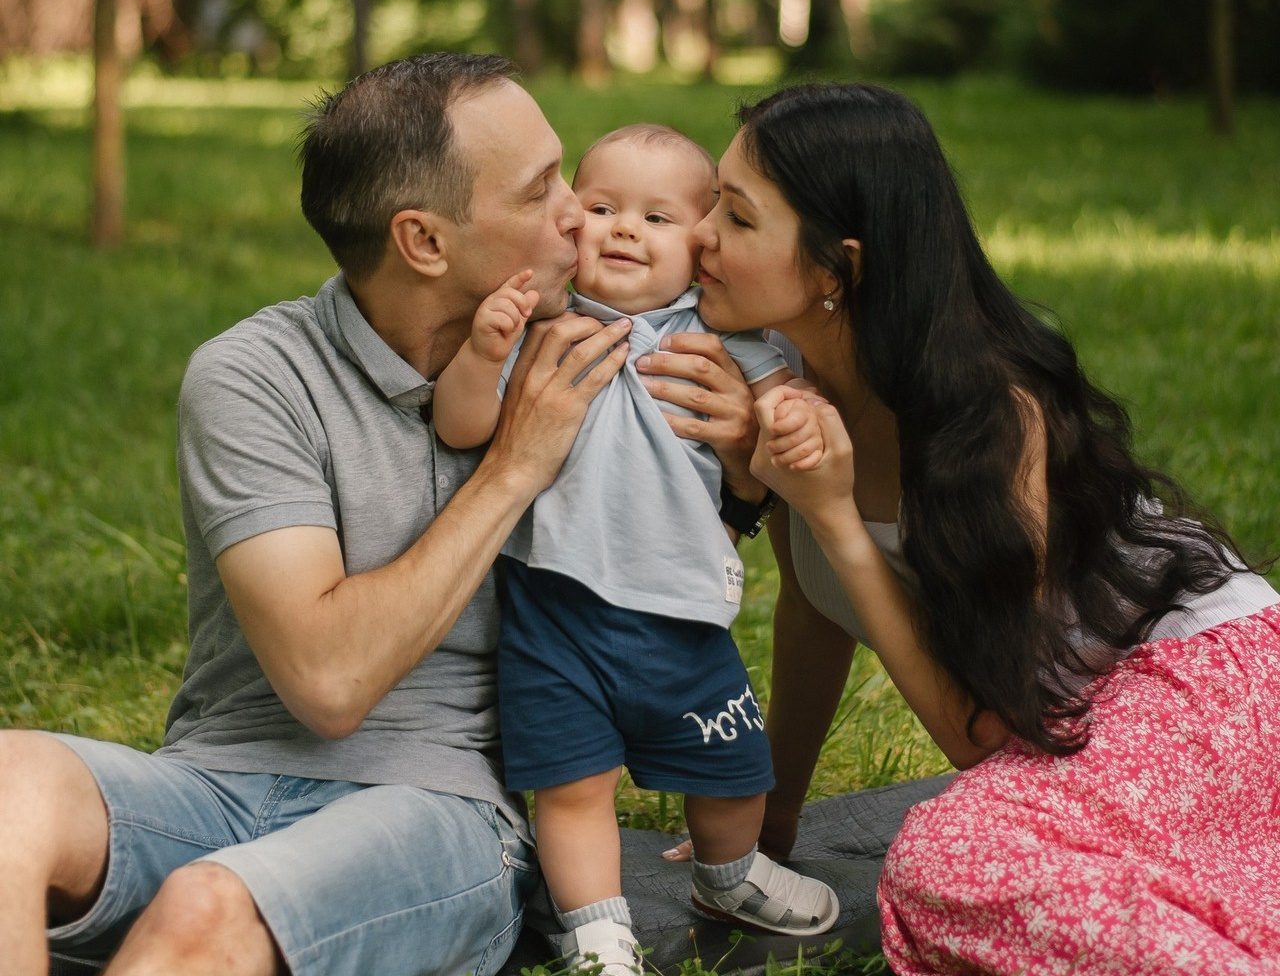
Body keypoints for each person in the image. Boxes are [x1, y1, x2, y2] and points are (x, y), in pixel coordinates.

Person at [0, 52, 651, 976]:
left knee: (207, 908)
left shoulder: (585, 351)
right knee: (11, 782)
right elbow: (329, 679)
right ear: (423, 242)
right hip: (215, 787)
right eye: (540, 189)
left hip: (437, 809)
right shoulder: (255, 376)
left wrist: (757, 465)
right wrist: (512, 468)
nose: (579, 212)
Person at [655, 81, 1280, 975]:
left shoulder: (992, 416)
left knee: (948, 856)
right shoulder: (782, 371)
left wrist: (832, 512)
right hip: (1081, 724)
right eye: (715, 200)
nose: (700, 234)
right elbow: (812, 611)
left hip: (1198, 681)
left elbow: (981, 734)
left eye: (738, 216)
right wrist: (773, 820)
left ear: (838, 268)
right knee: (966, 857)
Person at [432, 124, 839, 975]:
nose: (623, 229)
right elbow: (461, 426)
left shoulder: (726, 341)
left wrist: (791, 414)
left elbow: (781, 405)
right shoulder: (542, 326)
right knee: (573, 787)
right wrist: (482, 352)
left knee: (733, 770)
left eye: (657, 218)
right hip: (553, 611)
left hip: (682, 610)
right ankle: (596, 932)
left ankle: (729, 874)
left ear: (701, 250)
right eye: (602, 207)